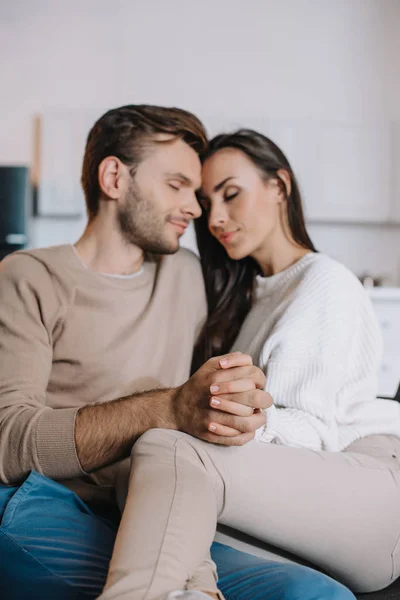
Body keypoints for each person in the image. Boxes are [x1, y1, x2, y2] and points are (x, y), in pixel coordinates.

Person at [0, 106, 351, 600]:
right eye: (178, 185)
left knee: (317, 594)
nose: (197, 208)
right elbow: (6, 442)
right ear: (114, 177)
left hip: (152, 501)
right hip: (46, 500)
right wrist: (167, 408)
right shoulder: (27, 277)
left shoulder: (186, 274)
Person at [101, 129, 400, 600]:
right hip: (307, 499)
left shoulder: (325, 283)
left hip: (368, 492)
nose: (215, 217)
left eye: (231, 195)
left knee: (167, 447)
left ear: (278, 187)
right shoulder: (249, 296)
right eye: (206, 200)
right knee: (140, 475)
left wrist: (203, 417)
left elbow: (312, 431)